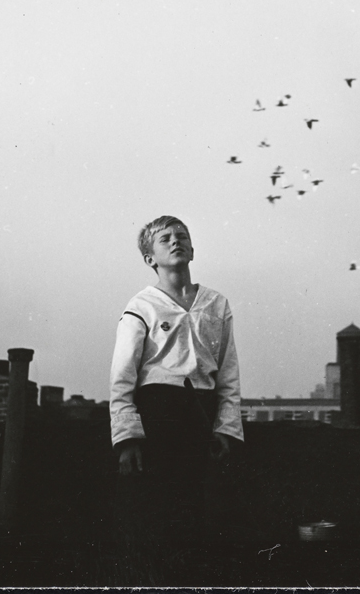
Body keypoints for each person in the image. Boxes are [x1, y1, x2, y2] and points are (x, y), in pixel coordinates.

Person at [109, 215, 243, 579]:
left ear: (193, 249)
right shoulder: (142, 306)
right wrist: (127, 438)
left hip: (202, 412)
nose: (175, 241)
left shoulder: (216, 303)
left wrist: (226, 428)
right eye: (164, 238)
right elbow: (122, 378)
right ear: (150, 257)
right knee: (158, 515)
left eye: (181, 236)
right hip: (158, 414)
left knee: (203, 513)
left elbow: (228, 372)